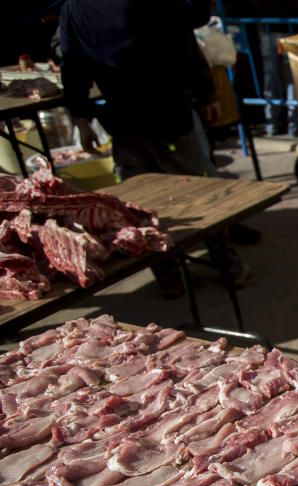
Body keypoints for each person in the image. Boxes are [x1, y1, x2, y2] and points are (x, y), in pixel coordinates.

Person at [60, 0, 253, 297]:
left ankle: (173, 277)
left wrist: (81, 117)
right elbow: (186, 34)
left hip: (126, 115)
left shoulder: (75, 6)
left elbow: (73, 62)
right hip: (163, 111)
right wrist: (205, 93)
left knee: (145, 206)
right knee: (198, 192)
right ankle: (224, 267)